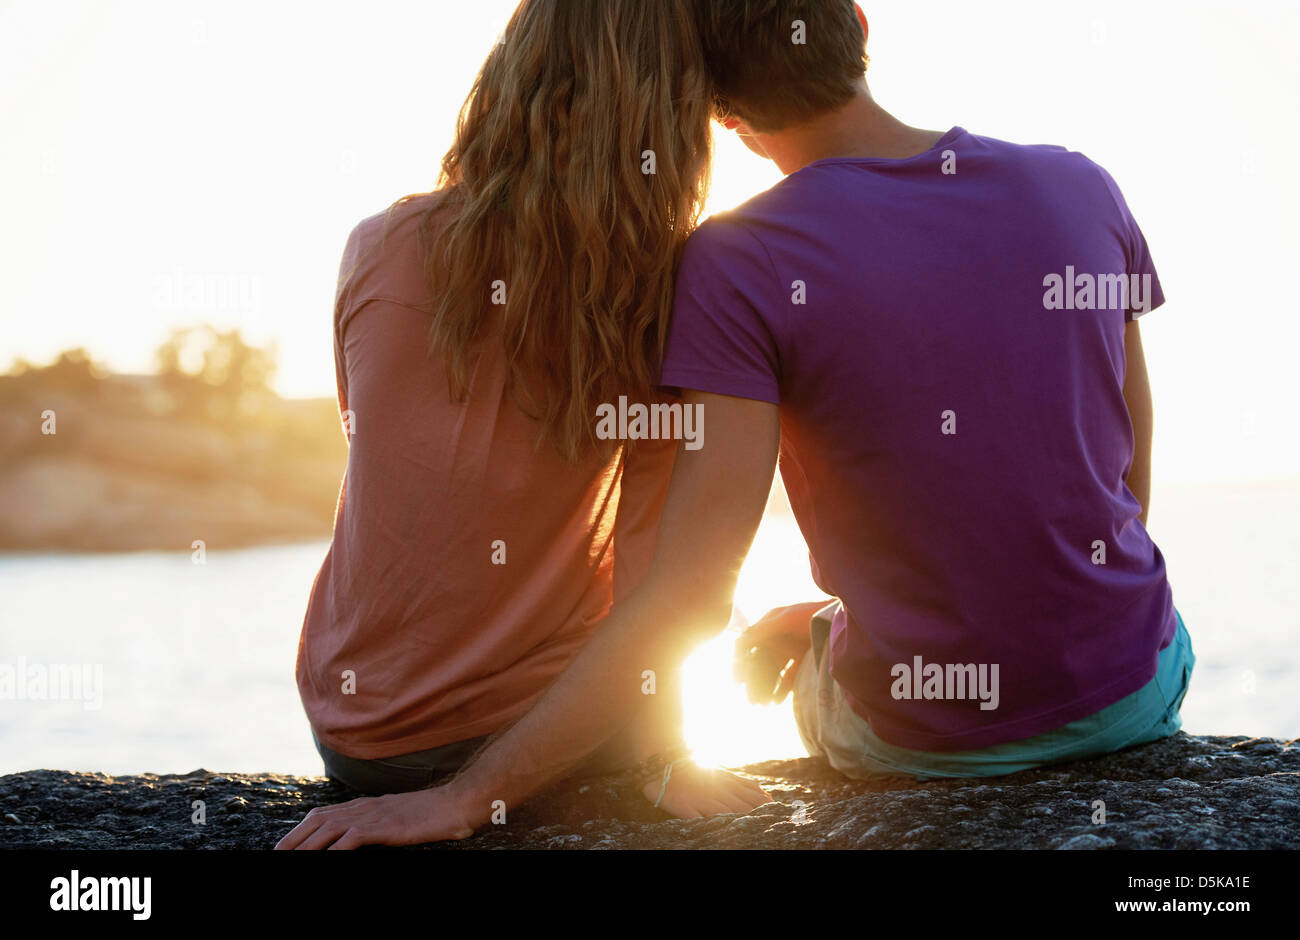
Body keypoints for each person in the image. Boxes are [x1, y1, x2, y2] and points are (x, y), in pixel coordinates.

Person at [278, 0, 1191, 849]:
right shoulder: (1080, 184)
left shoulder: (390, 247)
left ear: (722, 111)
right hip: (1130, 686)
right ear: (860, 23)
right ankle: (825, 627)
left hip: (367, 736)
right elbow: (1127, 481)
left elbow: (670, 582)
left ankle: (825, 628)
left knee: (801, 644)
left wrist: (458, 792)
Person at [284, 0, 769, 843]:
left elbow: (388, 458)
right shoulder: (664, 295)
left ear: (508, 80)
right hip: (529, 737)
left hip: (356, 736)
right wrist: (665, 753)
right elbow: (662, 579)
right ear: (676, 122)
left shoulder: (376, 245)